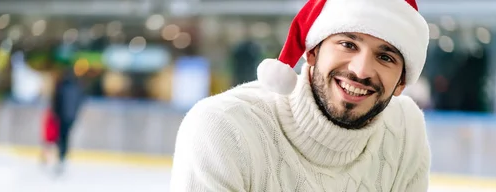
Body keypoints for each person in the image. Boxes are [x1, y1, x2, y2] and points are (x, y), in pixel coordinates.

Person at [170, 0, 431, 191]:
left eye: (385, 57)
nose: (361, 70)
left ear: (401, 84)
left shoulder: (405, 129)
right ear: (312, 52)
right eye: (347, 44)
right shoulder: (223, 127)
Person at [51, 68, 86, 175]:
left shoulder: (61, 87)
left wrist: (56, 114)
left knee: (62, 137)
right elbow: (80, 102)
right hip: (71, 117)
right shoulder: (76, 88)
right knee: (65, 137)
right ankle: (63, 156)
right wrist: (75, 113)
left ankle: (62, 155)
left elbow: (55, 102)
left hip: (62, 117)